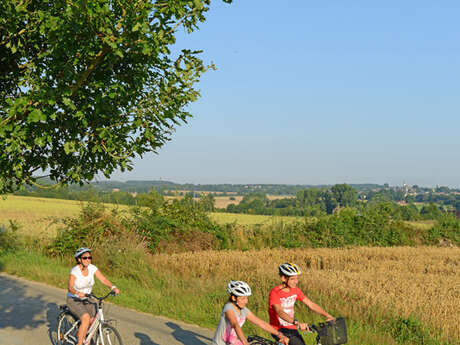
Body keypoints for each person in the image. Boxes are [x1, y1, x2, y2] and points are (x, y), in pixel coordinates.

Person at [268, 263, 334, 345]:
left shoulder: (295, 290)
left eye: (297, 278)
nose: (296, 281)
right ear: (283, 278)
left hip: (292, 328)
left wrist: (327, 315)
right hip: (278, 329)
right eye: (292, 279)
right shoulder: (275, 293)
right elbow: (279, 312)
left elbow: (311, 304)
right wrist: (297, 323)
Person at [66, 247, 120, 345]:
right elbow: (70, 287)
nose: (88, 260)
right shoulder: (75, 271)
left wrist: (113, 287)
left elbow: (103, 279)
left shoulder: (92, 268)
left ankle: (81, 334)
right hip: (74, 299)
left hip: (87, 298)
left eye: (89, 257)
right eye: (85, 258)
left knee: (94, 320)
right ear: (79, 259)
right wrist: (78, 293)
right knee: (86, 318)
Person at [212, 280, 289, 345]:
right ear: (234, 298)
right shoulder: (228, 308)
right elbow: (235, 325)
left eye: (247, 298)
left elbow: (260, 323)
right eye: (242, 298)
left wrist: (279, 335)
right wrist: (244, 342)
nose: (246, 301)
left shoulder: (244, 310)